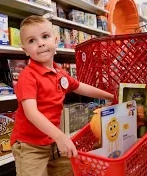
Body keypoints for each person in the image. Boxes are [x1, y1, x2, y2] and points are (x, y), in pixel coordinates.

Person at [10, 15, 114, 176]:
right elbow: (31, 113)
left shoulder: (59, 73)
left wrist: (111, 96)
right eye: (32, 41)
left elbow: (80, 87)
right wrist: (60, 137)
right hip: (30, 146)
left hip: (52, 142)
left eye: (45, 36)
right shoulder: (27, 76)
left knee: (75, 169)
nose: (41, 43)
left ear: (56, 40)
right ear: (25, 50)